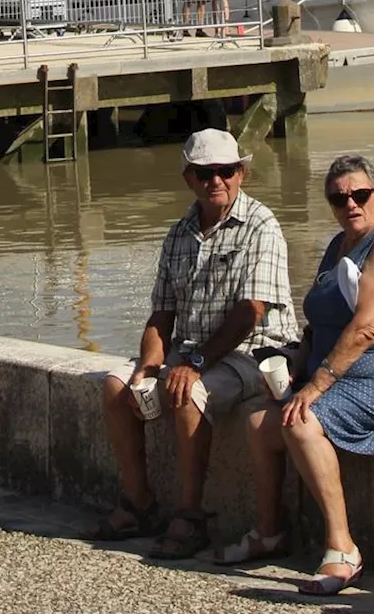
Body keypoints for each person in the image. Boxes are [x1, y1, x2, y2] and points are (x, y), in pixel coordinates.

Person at [225, 154, 374, 590]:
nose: (351, 205)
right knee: (261, 424)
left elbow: (366, 327)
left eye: (360, 195)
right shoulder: (335, 248)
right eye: (339, 199)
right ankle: (269, 532)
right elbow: (318, 326)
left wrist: (316, 386)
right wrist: (295, 367)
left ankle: (343, 548)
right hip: (343, 376)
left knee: (302, 423)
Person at [90, 129, 296, 561]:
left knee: (187, 394)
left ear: (243, 173)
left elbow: (251, 311)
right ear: (189, 178)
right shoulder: (177, 234)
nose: (216, 181)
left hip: (254, 352)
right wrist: (147, 367)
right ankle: (139, 502)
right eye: (205, 173)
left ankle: (191, 514)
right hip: (195, 349)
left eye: (226, 171)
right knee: (115, 387)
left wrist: (196, 363)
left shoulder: (262, 225)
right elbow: (162, 314)